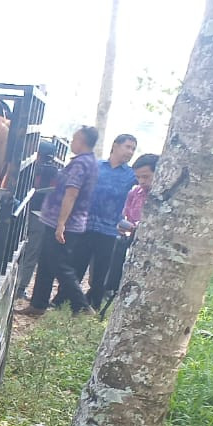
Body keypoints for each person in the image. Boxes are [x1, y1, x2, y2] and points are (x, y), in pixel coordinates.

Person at [24, 125, 99, 316]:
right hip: (59, 221)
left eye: (74, 139)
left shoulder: (81, 164)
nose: (72, 142)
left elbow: (71, 194)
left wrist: (61, 223)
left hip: (66, 223)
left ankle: (82, 305)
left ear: (82, 141)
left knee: (59, 264)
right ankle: (38, 304)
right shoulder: (87, 162)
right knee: (46, 262)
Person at [81, 133, 138, 310]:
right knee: (75, 265)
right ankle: (65, 301)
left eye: (133, 149)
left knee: (101, 272)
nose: (130, 152)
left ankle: (94, 305)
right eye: (127, 147)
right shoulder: (96, 166)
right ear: (115, 145)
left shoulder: (131, 175)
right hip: (85, 225)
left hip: (109, 230)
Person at [98, 152, 157, 316]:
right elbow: (123, 215)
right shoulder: (134, 193)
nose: (142, 181)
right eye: (138, 177)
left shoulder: (164, 197)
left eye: (146, 176)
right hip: (131, 244)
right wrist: (124, 226)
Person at [16, 141, 60, 299]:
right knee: (31, 254)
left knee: (15, 248)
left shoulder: (27, 167)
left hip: (21, 211)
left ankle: (13, 281)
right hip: (41, 216)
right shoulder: (55, 172)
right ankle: (21, 287)